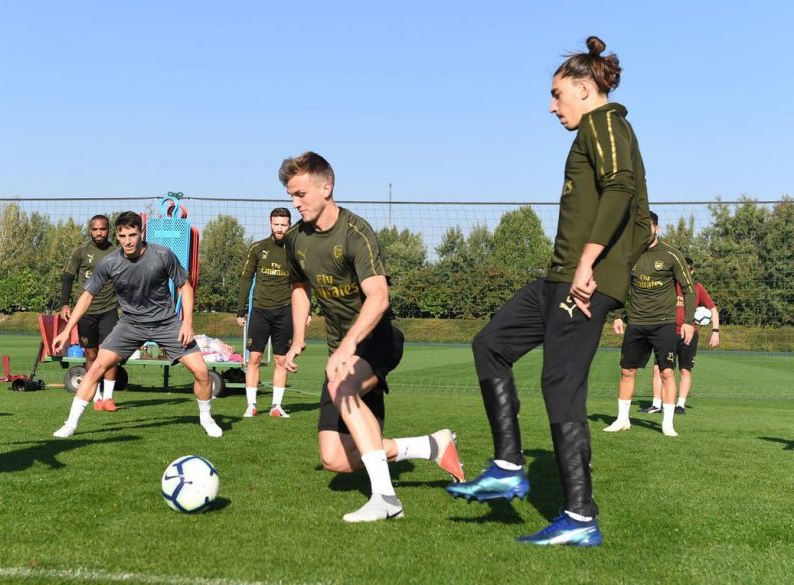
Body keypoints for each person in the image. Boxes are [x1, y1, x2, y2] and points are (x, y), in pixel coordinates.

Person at [446, 36, 651, 547]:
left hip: (581, 282)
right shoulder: (596, 131)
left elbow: (623, 188)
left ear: (584, 89)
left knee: (561, 386)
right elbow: (639, 216)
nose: (551, 105)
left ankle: (580, 519)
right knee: (490, 343)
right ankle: (508, 465)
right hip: (557, 278)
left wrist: (590, 263)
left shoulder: (606, 123)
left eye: (558, 94)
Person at [280, 151, 464, 523]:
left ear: (326, 187)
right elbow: (299, 287)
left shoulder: (355, 232)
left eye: (300, 194)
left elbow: (379, 297)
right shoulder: (296, 240)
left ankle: (386, 499)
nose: (294, 203)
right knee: (333, 458)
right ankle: (432, 445)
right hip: (341, 353)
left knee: (342, 387)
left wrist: (349, 345)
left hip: (378, 339)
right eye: (291, 195)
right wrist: (299, 335)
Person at [51, 211, 222, 438]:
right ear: (118, 236)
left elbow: (186, 286)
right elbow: (86, 297)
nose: (128, 241)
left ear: (142, 233)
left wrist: (187, 322)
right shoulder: (109, 263)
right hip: (130, 324)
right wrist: (66, 330)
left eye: (132, 234)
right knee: (95, 369)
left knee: (202, 372)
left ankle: (206, 418)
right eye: (122, 236)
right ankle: (70, 425)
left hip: (166, 323)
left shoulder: (162, 254)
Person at [604, 212, 695, 436]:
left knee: (667, 373)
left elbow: (689, 289)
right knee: (627, 371)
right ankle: (622, 419)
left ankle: (667, 424)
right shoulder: (629, 254)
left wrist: (689, 322)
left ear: (657, 229)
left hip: (663, 324)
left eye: (648, 228)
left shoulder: (671, 255)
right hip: (636, 322)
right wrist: (617, 315)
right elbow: (619, 285)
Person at [237, 207, 300, 418]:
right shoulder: (258, 248)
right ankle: (251, 405)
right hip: (260, 311)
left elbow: (303, 283)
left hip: (284, 311)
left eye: (284, 224)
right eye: (276, 224)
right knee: (254, 358)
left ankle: (276, 407)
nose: (280, 228)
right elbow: (246, 278)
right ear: (270, 224)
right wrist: (241, 309)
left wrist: (305, 312)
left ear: (289, 225)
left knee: (281, 360)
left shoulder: (295, 250)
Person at [642, 257, 720, 415]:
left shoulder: (697, 288)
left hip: (688, 336)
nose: (686, 273)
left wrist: (715, 332)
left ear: (692, 271)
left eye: (689, 269)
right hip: (666, 334)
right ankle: (657, 404)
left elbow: (713, 310)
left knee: (685, 371)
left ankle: (680, 405)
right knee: (658, 369)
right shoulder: (668, 287)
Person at [59, 215, 120, 411]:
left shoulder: (117, 252)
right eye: (95, 229)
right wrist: (64, 305)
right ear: (90, 231)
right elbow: (67, 278)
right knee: (91, 354)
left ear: (108, 230)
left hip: (109, 309)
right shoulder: (81, 252)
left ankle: (108, 398)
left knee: (111, 354)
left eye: (102, 229)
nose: (99, 232)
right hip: (85, 312)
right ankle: (96, 396)